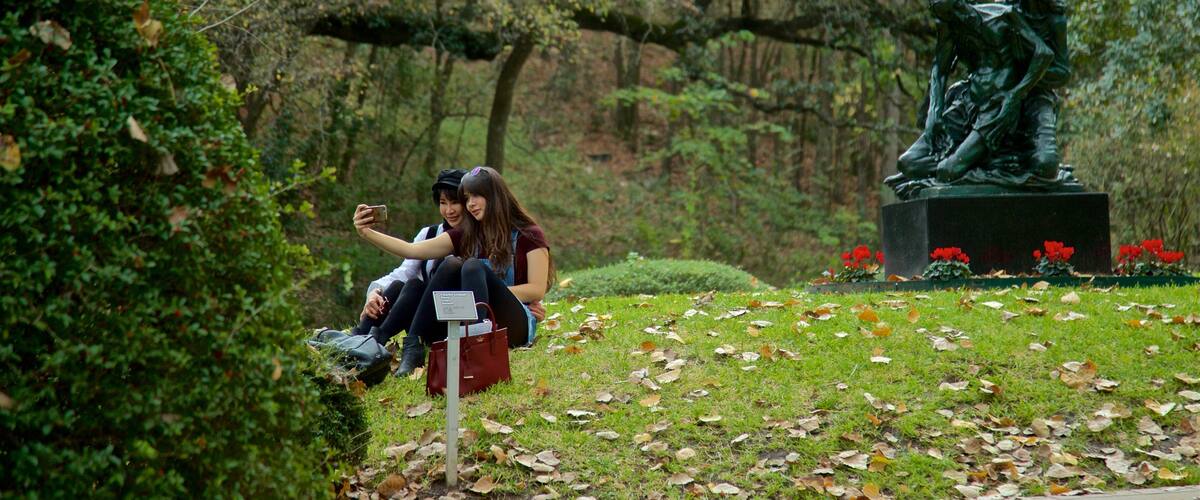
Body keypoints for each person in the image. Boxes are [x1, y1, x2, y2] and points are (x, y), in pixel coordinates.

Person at [353, 166, 553, 348]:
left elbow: (537, 289)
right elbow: (412, 250)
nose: (471, 204)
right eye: (467, 198)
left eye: (477, 196)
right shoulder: (466, 234)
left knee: (473, 267)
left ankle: (474, 340)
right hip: (467, 322)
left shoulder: (529, 234)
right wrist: (367, 233)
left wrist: (487, 293)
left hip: (513, 323)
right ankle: (396, 343)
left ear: (494, 196)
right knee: (449, 266)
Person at [351, 168, 466, 376]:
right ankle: (364, 338)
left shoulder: (477, 237)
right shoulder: (429, 233)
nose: (449, 210)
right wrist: (373, 292)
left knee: (421, 281)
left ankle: (390, 344)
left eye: (454, 202)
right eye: (443, 203)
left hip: (452, 321)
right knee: (404, 285)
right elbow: (402, 273)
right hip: (423, 319)